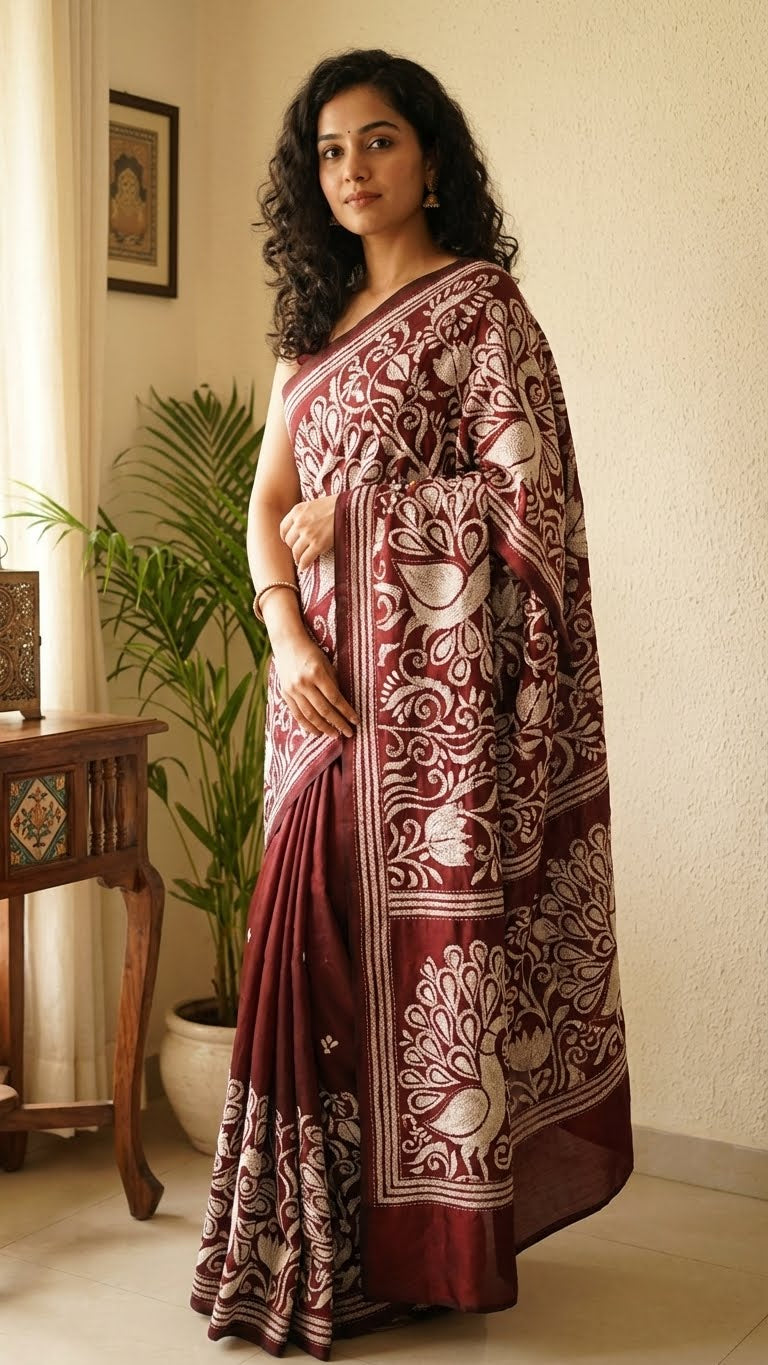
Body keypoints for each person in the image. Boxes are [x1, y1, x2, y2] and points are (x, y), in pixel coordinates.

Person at [191, 47, 634, 1360]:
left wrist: (375, 518)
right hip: (318, 705)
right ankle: (313, 1242)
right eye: (328, 153)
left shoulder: (481, 311)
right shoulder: (309, 337)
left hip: (431, 729)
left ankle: (415, 1254)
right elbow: (265, 508)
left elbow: (529, 512)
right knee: (305, 955)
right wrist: (280, 631)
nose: (352, 172)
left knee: (398, 971)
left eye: (377, 142)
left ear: (429, 157)